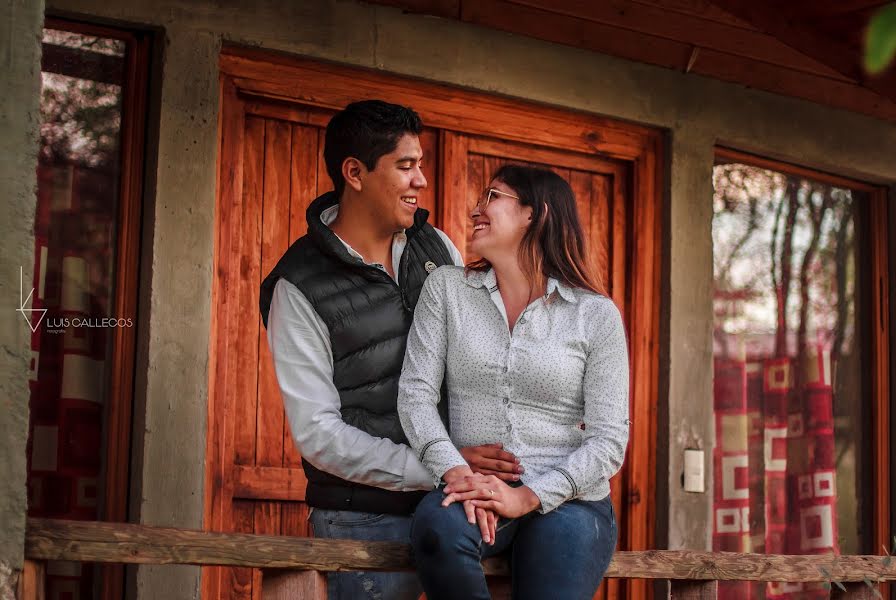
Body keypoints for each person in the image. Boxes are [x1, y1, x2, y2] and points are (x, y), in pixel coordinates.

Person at [259, 100, 521, 600]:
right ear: (354, 173)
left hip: (462, 506)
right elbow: (319, 435)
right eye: (405, 166)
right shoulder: (297, 286)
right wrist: (441, 466)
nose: (421, 180)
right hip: (363, 517)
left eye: (420, 164)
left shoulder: (437, 247)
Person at [398, 164, 630, 600]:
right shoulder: (446, 289)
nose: (475, 209)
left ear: (534, 214)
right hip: (474, 486)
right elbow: (415, 397)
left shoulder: (595, 315)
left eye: (492, 196)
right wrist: (458, 473)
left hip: (570, 501)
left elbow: (608, 441)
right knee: (435, 530)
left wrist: (527, 497)